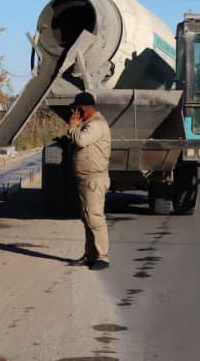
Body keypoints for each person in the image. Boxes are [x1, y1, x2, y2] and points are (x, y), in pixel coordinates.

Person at [68, 91, 111, 270]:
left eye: (76, 110)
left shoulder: (96, 124)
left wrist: (72, 126)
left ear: (83, 109)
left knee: (95, 217)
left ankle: (103, 256)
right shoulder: (89, 123)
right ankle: (90, 255)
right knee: (87, 218)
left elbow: (80, 140)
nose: (73, 113)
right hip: (85, 179)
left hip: (94, 179)